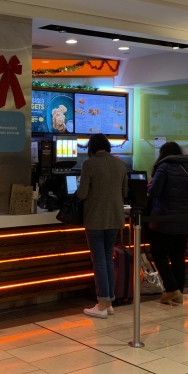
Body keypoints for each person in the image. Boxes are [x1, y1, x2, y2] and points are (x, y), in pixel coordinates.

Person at [147, 142, 188, 305]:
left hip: (165, 220)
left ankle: (172, 288)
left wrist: (149, 187)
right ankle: (178, 293)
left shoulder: (163, 168)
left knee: (159, 254)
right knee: (178, 255)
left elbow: (154, 192)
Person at [76, 133, 128, 319]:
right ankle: (109, 303)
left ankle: (102, 304)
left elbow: (82, 194)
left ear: (91, 147)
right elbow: (124, 192)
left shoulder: (89, 164)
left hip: (96, 218)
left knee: (99, 260)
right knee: (107, 258)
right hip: (115, 217)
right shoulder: (120, 164)